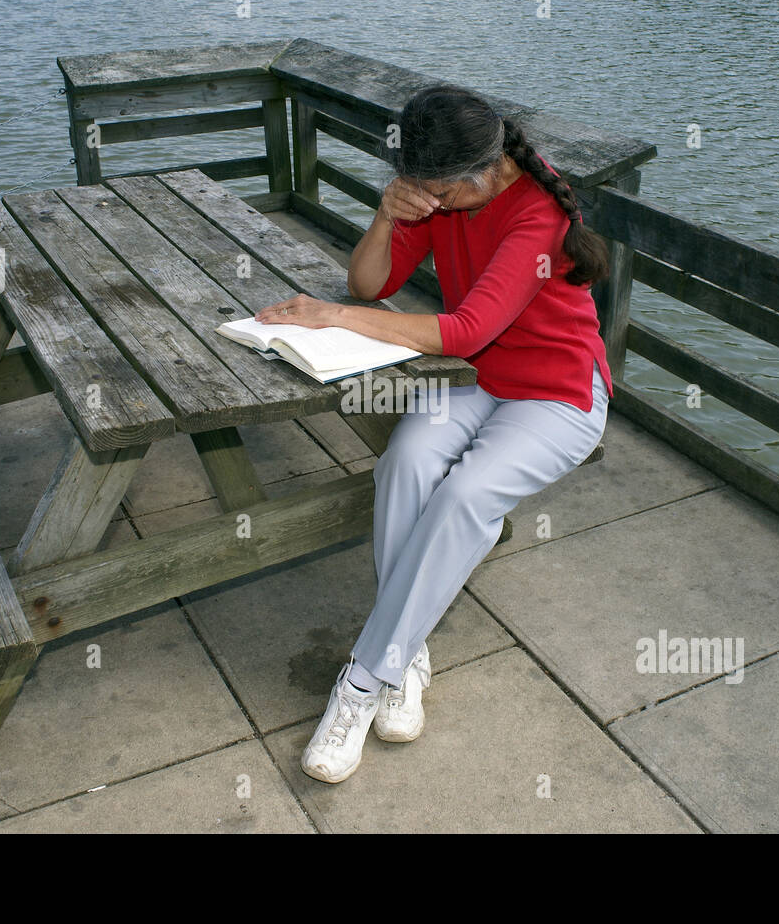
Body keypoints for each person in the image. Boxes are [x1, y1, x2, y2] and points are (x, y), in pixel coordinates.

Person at [253, 84, 614, 783]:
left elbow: (466, 327)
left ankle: (359, 685)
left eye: (442, 191)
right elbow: (368, 283)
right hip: (481, 380)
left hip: (560, 394)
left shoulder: (535, 213)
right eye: (422, 187)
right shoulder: (444, 192)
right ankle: (406, 650)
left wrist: (332, 318)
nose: (436, 201)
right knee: (407, 462)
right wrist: (387, 214)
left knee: (464, 496)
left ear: (487, 169)